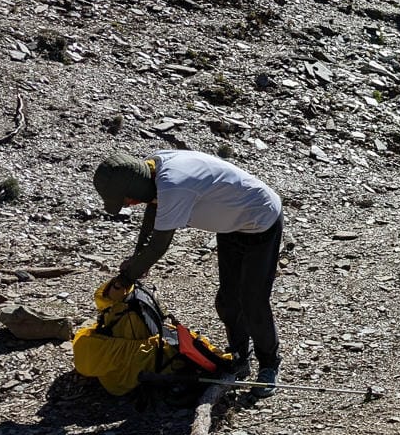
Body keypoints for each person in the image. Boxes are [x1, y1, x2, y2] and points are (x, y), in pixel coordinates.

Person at [92, 150, 284, 396]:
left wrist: (127, 277)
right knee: (227, 300)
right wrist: (138, 258)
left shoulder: (173, 185)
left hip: (261, 219)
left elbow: (160, 244)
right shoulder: (154, 168)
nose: (129, 204)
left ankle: (269, 364)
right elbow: (153, 211)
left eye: (127, 199)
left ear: (136, 187)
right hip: (232, 225)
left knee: (253, 302)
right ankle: (239, 356)